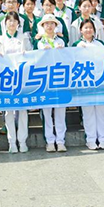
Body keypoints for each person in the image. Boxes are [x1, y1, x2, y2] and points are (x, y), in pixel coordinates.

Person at [0, 12, 32, 153]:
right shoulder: (0, 40)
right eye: (9, 21)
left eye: (14, 21)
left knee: (22, 111)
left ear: (18, 23)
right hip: (7, 79)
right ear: (5, 24)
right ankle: (12, 142)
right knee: (8, 112)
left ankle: (22, 141)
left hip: (21, 78)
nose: (11, 23)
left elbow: (31, 55)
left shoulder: (24, 38)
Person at [72, 19, 104, 150]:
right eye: (85, 28)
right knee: (88, 113)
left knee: (102, 112)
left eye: (90, 28)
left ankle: (103, 139)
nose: (88, 30)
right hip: (84, 82)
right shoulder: (76, 45)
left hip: (100, 82)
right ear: (81, 30)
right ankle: (91, 139)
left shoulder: (100, 44)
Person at [36, 14, 68, 152]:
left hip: (60, 79)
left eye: (52, 23)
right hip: (45, 80)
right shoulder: (40, 42)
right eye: (46, 24)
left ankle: (60, 141)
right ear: (43, 26)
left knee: (60, 111)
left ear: (56, 25)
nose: (49, 26)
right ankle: (49, 141)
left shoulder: (61, 41)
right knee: (47, 112)